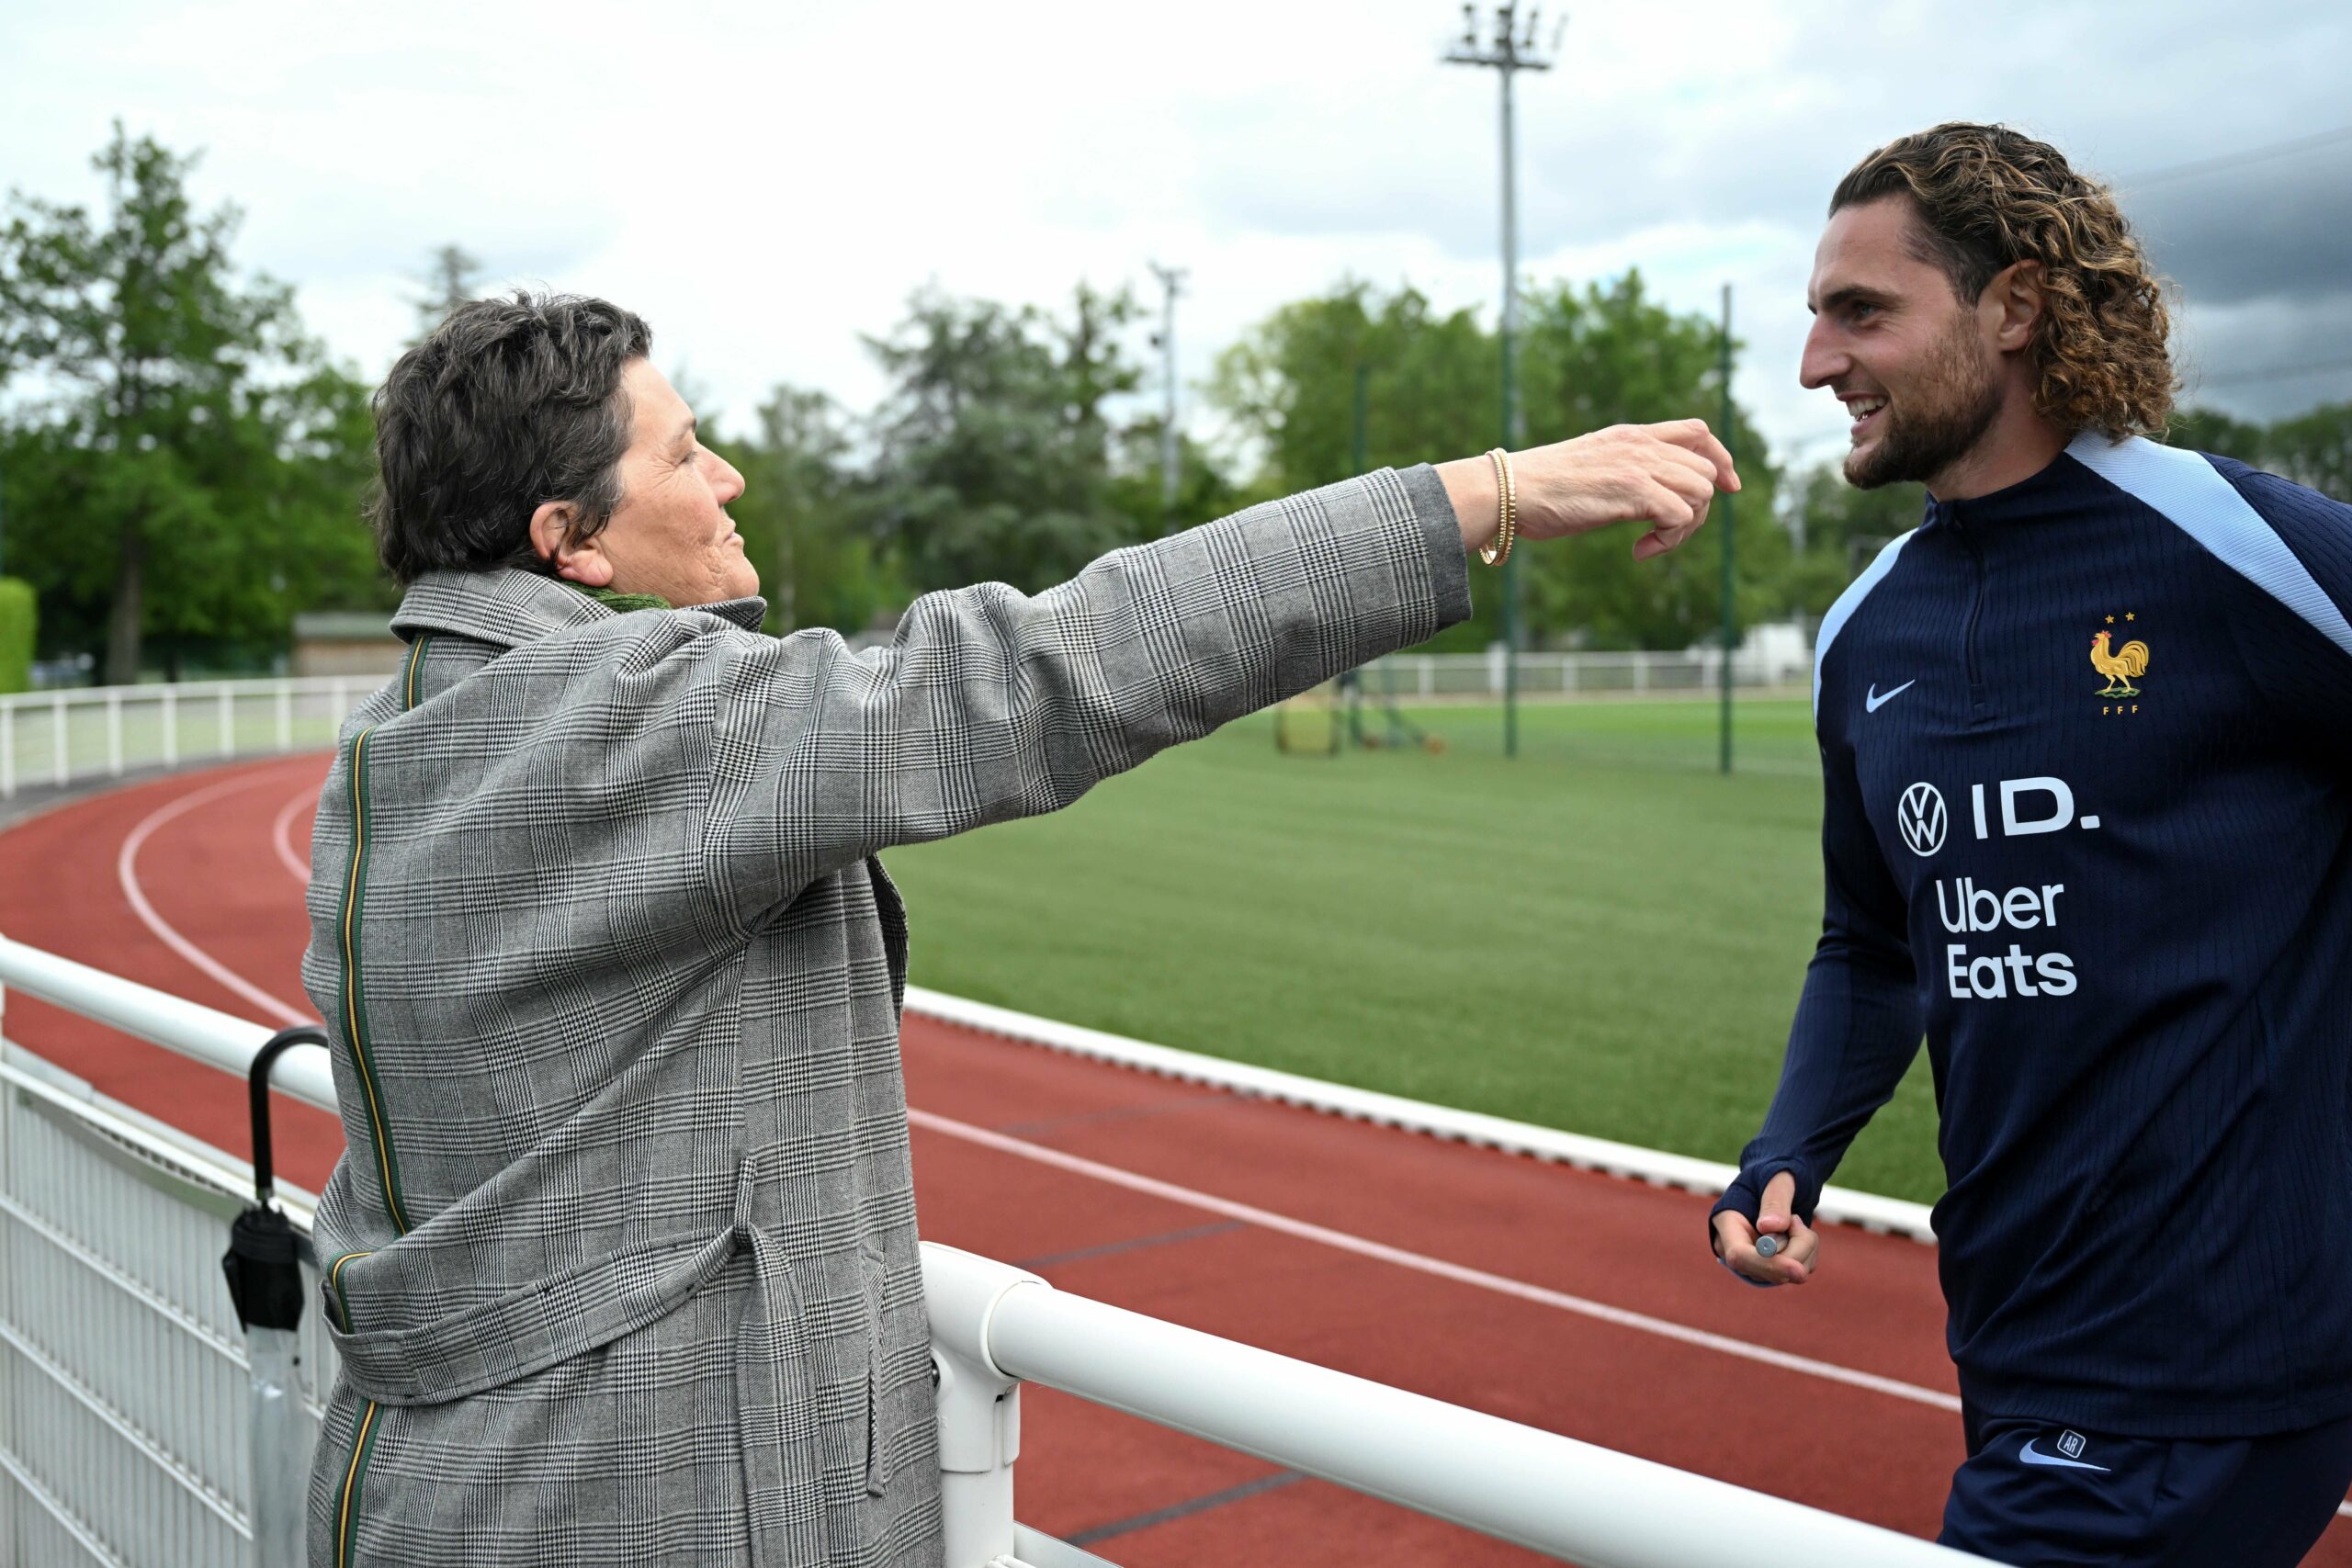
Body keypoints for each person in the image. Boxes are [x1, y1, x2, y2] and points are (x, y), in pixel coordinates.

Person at [301, 289, 1738, 1567]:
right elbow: (1047, 669)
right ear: (572, 543)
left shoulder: (406, 741)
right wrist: (1476, 495)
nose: (728, 475)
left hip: (445, 1489)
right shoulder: (617, 719)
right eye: (680, 454)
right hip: (629, 1505)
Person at [1709, 122, 2352, 1566]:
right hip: (2013, 1337)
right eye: (1817, 316)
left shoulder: (2241, 549)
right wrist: (1787, 1152)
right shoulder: (1865, 630)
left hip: (2209, 1369)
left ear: (2014, 305)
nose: (1817, 363)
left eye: (1860, 311)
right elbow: (1875, 945)